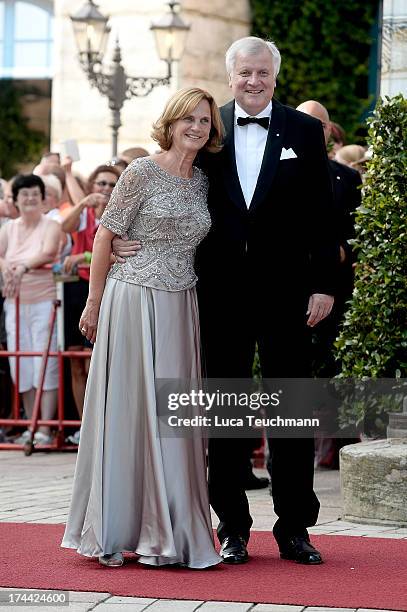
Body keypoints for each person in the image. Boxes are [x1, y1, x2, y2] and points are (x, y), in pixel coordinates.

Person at [114, 37, 339, 566]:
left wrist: (324, 283)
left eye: (263, 73)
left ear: (275, 76)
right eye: (244, 73)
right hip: (220, 294)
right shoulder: (210, 130)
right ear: (231, 75)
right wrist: (124, 236)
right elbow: (167, 182)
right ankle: (232, 526)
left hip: (290, 294)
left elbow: (322, 215)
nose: (253, 81)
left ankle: (295, 528)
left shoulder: (305, 131)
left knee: (291, 411)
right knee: (225, 413)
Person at [61, 87, 223, 569]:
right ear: (170, 122)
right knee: (130, 410)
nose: (197, 128)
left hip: (181, 302)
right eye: (188, 119)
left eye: (205, 121)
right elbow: (107, 234)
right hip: (133, 300)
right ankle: (121, 525)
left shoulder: (202, 181)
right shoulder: (140, 171)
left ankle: (172, 523)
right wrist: (93, 303)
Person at [297, 100, 362, 468]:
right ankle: (294, 447)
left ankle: (334, 448)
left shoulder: (346, 177)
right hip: (289, 287)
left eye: (317, 125)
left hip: (335, 289)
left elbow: (358, 232)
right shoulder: (277, 170)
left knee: (335, 366)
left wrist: (342, 249)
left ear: (328, 131)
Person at [0, 174, 60, 444]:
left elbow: (48, 253)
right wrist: (7, 269)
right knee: (20, 363)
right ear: (15, 199)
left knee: (44, 363)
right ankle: (29, 425)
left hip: (44, 301)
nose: (30, 198)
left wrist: (23, 267)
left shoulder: (52, 225)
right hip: (14, 302)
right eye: (24, 194)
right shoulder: (9, 228)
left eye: (35, 193)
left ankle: (45, 427)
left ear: (43, 196)